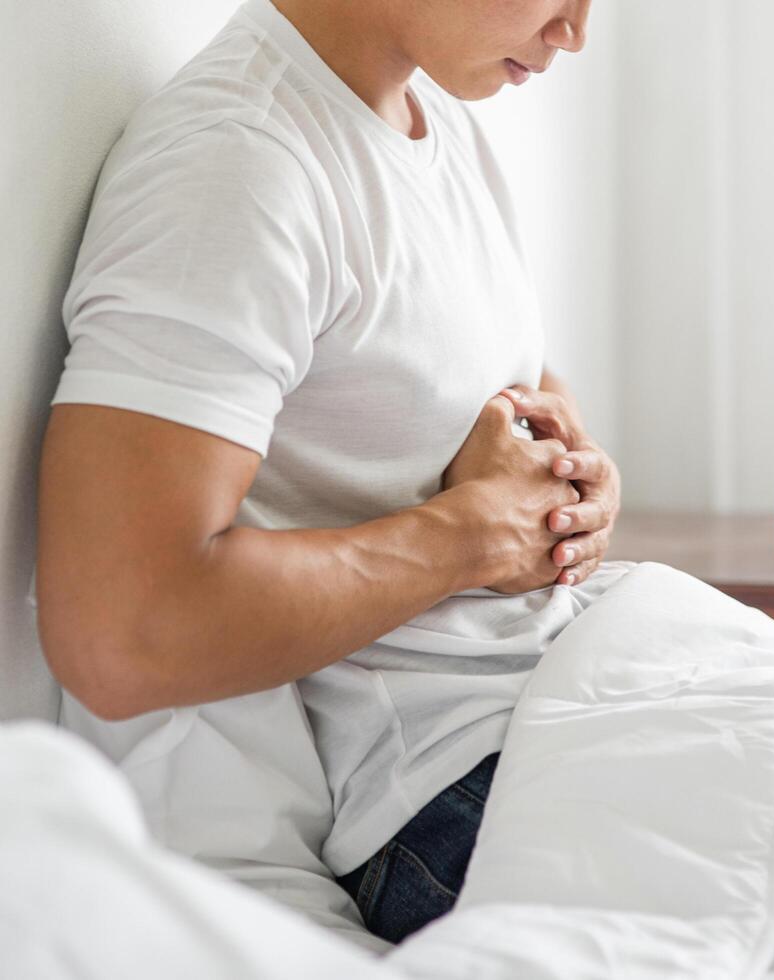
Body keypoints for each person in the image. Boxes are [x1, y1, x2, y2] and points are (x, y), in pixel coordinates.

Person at [36, 0, 632, 946]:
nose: (575, 31)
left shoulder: (440, 127)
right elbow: (121, 631)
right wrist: (479, 534)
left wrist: (574, 481)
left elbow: (497, 383)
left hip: (545, 696)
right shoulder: (235, 165)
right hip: (438, 781)